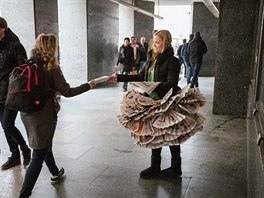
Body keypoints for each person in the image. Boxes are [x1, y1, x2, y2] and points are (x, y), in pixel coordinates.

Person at [19, 33, 96, 198]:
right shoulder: (51, 67)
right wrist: (88, 86)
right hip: (43, 115)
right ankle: (24, 194)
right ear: (51, 47)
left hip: (26, 113)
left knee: (44, 145)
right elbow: (67, 91)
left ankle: (54, 172)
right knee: (38, 155)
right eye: (57, 45)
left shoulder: (29, 62)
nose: (58, 48)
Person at [111, 30, 182, 179]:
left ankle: (176, 168)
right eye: (154, 42)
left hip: (167, 102)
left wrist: (151, 87)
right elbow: (139, 76)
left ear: (166, 42)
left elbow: (172, 83)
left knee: (171, 135)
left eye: (158, 42)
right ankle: (155, 167)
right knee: (155, 134)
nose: (154, 45)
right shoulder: (151, 61)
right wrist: (118, 78)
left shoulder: (173, 61)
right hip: (152, 103)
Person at [0, 17, 31, 170]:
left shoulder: (15, 44)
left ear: (2, 29)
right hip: (0, 92)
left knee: (7, 124)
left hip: (11, 92)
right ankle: (15, 156)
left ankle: (25, 149)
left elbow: (23, 70)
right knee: (5, 126)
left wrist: (10, 83)